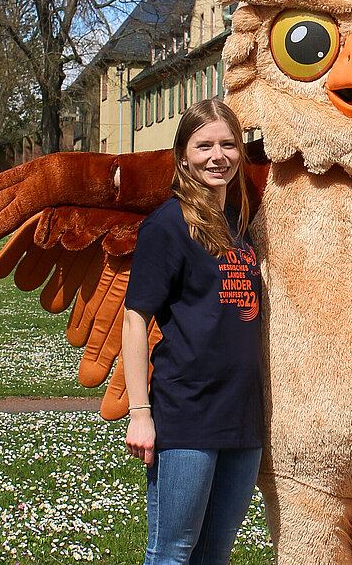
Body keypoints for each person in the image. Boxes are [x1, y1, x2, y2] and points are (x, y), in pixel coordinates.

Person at [122, 98, 263, 565]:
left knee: (215, 552)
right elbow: (135, 318)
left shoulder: (238, 224)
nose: (217, 156)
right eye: (204, 146)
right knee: (173, 551)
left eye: (228, 144)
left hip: (242, 416)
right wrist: (140, 414)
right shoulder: (167, 225)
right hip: (188, 414)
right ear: (183, 154)